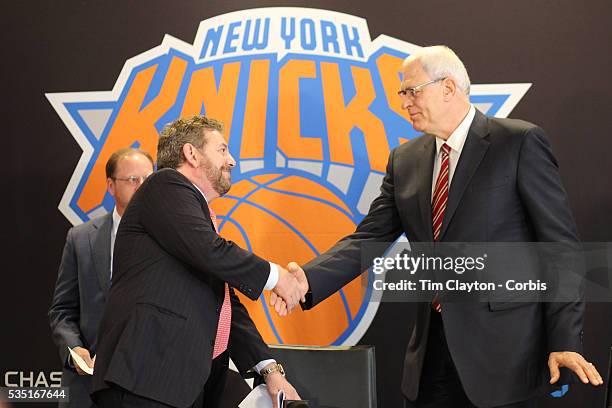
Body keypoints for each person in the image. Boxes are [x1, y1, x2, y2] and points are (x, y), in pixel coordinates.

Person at [275, 45, 603, 407]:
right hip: (430, 359)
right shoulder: (405, 160)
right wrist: (306, 279)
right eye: (402, 93)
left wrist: (564, 341)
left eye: (411, 90)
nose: (404, 102)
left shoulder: (518, 143)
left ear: (448, 87)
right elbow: (369, 236)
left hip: (506, 361)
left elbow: (560, 250)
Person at [91, 116, 302, 408]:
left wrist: (269, 370)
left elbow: (227, 308)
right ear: (191, 154)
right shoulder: (163, 185)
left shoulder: (191, 219)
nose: (232, 161)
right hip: (145, 380)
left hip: (181, 387)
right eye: (222, 150)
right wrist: (277, 277)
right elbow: (211, 250)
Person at [49, 148, 154, 407]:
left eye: (148, 180)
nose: (142, 187)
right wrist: (75, 351)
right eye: (132, 180)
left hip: (148, 387)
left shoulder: (168, 240)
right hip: (87, 389)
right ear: (110, 185)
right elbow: (62, 310)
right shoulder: (81, 238)